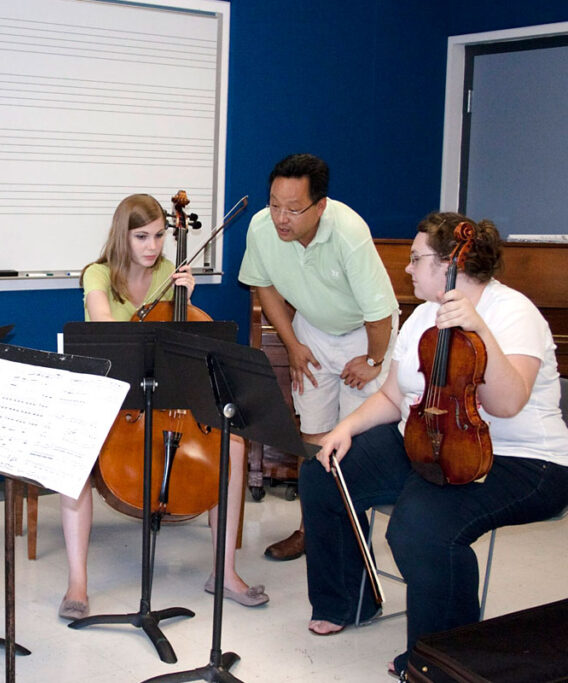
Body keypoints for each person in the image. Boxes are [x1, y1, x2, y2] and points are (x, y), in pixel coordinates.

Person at [300, 212, 568, 677]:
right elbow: (392, 396)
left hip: (521, 460)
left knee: (420, 528)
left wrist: (480, 331)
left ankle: (443, 659)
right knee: (323, 471)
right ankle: (348, 602)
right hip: (431, 440)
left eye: (416, 259)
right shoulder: (423, 314)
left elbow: (507, 404)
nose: (407, 268)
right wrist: (346, 428)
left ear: (449, 265)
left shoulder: (513, 312)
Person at [58, 193, 267, 621]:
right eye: (141, 237)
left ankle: (224, 572)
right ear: (123, 236)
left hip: (159, 392)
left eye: (158, 235)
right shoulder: (98, 273)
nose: (152, 246)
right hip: (110, 390)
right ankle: (77, 582)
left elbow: (187, 340)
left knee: (232, 445)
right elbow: (104, 324)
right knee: (72, 455)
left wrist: (185, 301)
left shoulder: (169, 272)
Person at [238, 153, 398, 561]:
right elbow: (264, 287)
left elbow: (380, 313)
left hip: (365, 334)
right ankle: (310, 530)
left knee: (355, 439)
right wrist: (293, 344)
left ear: (320, 206)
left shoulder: (349, 233)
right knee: (313, 433)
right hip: (312, 328)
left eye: (293, 209)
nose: (280, 218)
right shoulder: (261, 227)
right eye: (274, 204)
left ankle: (352, 537)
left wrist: (374, 360)